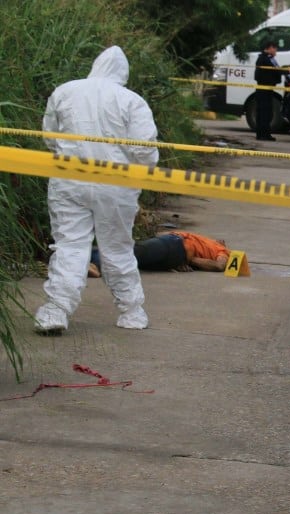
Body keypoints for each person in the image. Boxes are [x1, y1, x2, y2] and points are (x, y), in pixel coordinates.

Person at [34, 46, 159, 335]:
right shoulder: (132, 100)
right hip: (117, 186)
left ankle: (55, 311)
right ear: (123, 73)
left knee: (69, 245)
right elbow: (145, 150)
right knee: (116, 246)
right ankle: (132, 311)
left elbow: (49, 137)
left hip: (68, 179)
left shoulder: (65, 91)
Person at [89, 231, 231, 275]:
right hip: (172, 247)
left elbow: (219, 266)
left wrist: (191, 260)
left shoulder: (221, 250)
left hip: (176, 245)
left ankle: (95, 264)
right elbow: (159, 233)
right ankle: (84, 258)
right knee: (134, 259)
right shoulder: (208, 242)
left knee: (132, 253)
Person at [254, 39, 286, 141]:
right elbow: (272, 71)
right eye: (275, 48)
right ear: (270, 48)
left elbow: (276, 69)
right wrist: (282, 72)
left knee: (267, 112)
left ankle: (265, 133)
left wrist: (284, 70)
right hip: (263, 90)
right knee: (264, 112)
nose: (276, 50)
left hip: (268, 89)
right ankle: (263, 134)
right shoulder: (263, 59)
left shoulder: (270, 58)